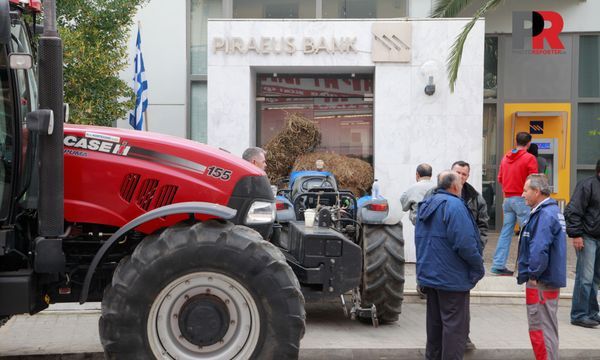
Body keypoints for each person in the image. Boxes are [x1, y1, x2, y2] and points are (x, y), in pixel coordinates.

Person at [416, 171, 485, 360]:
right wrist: (478, 267)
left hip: (431, 275)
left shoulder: (426, 204)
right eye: (461, 185)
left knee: (435, 327)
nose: (462, 188)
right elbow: (465, 243)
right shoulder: (454, 206)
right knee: (455, 330)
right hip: (452, 277)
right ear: (454, 187)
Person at [517, 174, 566, 360]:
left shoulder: (544, 214)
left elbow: (539, 248)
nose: (522, 195)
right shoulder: (550, 211)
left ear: (537, 192)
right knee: (547, 329)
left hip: (540, 282)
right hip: (547, 280)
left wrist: (533, 274)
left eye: (525, 190)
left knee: (540, 330)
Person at [491, 132, 538, 276]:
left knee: (506, 233)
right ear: (528, 143)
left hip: (507, 199)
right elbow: (534, 181)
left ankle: (498, 265)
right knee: (528, 233)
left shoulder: (505, 157)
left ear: (516, 141)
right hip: (522, 200)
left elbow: (500, 178)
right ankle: (528, 266)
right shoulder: (530, 158)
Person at [564, 159, 600, 328]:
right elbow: (572, 211)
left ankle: (592, 313)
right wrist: (576, 235)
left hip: (597, 238)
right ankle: (579, 314)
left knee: (595, 279)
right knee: (585, 277)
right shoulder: (587, 186)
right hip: (587, 237)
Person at [451, 161, 489, 248]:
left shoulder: (476, 197)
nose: (460, 176)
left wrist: (479, 246)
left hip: (467, 249)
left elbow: (483, 226)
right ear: (450, 173)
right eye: (457, 173)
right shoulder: (435, 194)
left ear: (467, 176)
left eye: (464, 174)